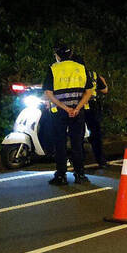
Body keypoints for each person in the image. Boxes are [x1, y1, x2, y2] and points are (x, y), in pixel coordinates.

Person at [43, 45, 94, 185]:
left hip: (59, 113)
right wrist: (76, 108)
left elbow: (48, 94)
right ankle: (80, 174)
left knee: (60, 144)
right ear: (71, 55)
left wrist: (65, 108)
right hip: (77, 112)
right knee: (77, 143)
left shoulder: (53, 69)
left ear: (57, 56)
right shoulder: (81, 68)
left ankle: (61, 175)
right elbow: (89, 91)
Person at [74, 54, 109, 168]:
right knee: (96, 133)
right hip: (92, 106)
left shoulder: (72, 75)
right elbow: (104, 90)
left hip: (76, 106)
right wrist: (103, 80)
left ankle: (79, 162)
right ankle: (101, 160)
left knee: (77, 134)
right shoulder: (93, 74)